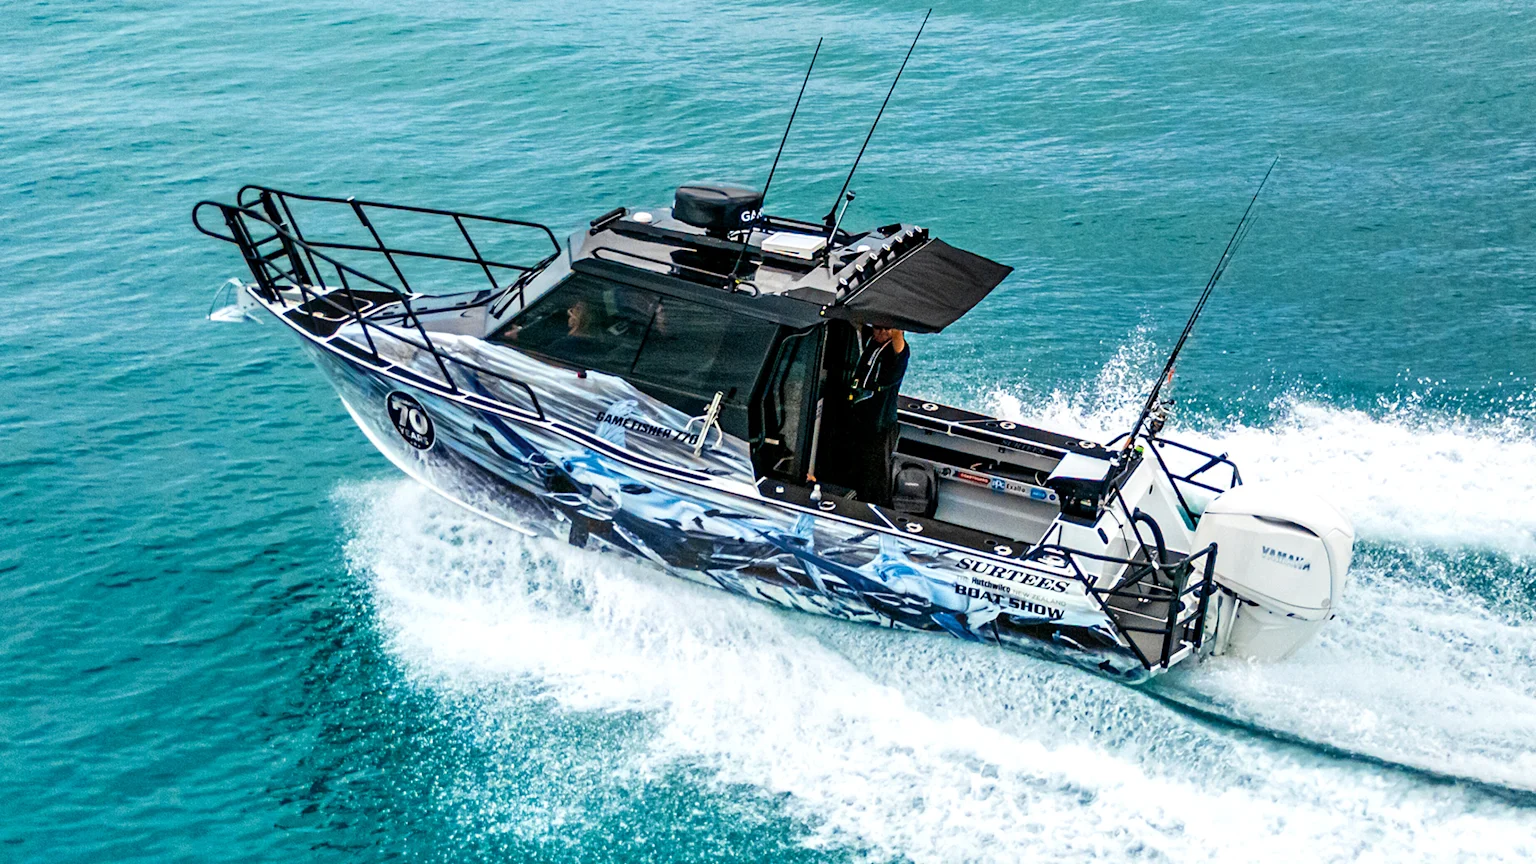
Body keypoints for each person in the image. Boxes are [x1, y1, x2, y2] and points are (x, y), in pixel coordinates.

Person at [846, 324, 909, 506]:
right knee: (857, 469)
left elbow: (897, 332)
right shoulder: (871, 342)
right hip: (861, 420)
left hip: (881, 423)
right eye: (879, 328)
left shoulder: (897, 351)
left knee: (876, 476)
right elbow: (859, 320)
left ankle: (876, 511)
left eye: (886, 330)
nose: (882, 333)